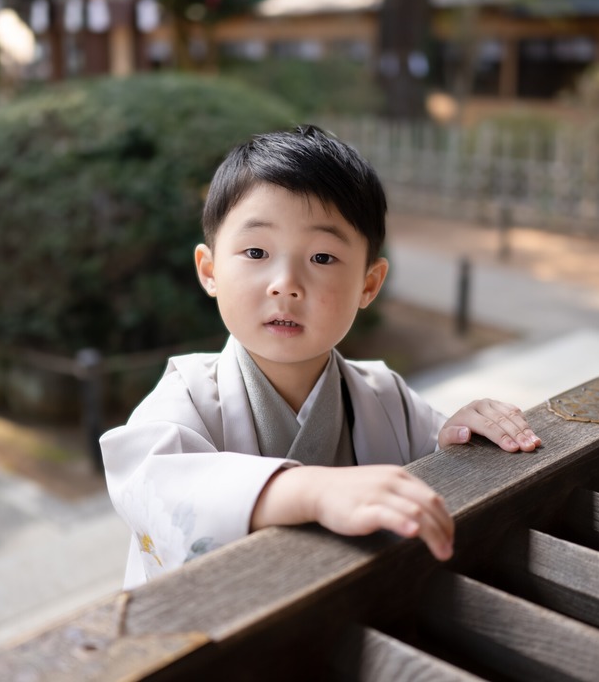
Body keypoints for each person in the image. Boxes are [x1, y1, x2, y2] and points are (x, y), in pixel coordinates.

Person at [100, 125, 540, 588]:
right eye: (256, 251)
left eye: (322, 258)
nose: (285, 284)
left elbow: (434, 465)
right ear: (209, 271)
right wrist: (308, 491)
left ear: (369, 284)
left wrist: (462, 432)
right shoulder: (183, 400)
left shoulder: (385, 397)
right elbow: (156, 489)